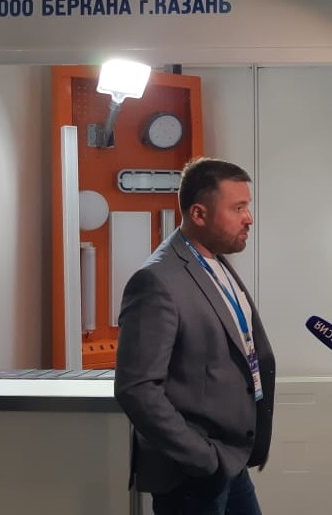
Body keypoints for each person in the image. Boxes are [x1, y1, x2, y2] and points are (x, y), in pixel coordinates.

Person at [115, 157, 277, 515]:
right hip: (192, 475)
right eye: (238, 208)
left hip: (230, 462)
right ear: (199, 214)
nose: (249, 218)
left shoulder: (216, 263)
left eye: (247, 206)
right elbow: (137, 389)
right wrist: (203, 458)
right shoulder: (157, 281)